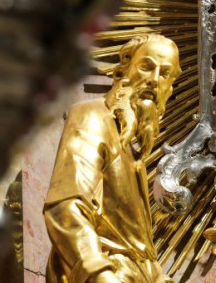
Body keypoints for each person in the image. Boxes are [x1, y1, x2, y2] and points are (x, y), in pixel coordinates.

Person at [44, 34, 181, 283]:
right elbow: (65, 207)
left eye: (164, 74)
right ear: (122, 72)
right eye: (146, 66)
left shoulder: (131, 147)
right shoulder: (93, 116)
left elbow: (134, 247)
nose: (154, 79)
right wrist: (99, 274)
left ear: (169, 89)